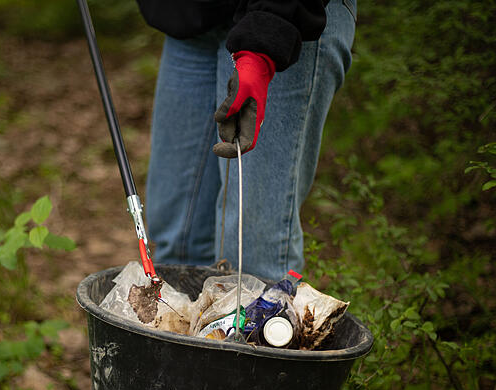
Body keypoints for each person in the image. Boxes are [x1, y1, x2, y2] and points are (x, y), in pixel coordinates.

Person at [138, 0, 357, 282]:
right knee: (179, 248)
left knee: (253, 261)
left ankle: (257, 325)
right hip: (193, 17)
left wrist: (268, 36)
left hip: (288, 19)